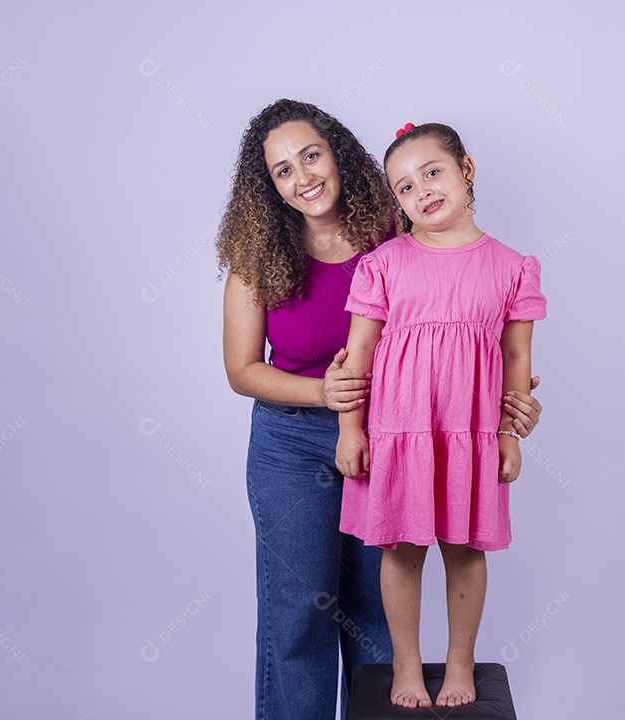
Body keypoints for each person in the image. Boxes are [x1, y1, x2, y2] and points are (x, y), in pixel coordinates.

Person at [216, 100, 544, 720]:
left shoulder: (398, 236)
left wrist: (510, 407)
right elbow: (242, 371)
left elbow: (470, 331)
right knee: (300, 605)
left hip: (396, 434)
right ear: (269, 188)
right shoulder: (258, 261)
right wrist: (327, 396)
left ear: (337, 153)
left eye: (311, 155)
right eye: (283, 170)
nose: (303, 176)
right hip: (294, 440)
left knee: (374, 607)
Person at [336, 122, 547, 708]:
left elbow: (515, 356)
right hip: (399, 429)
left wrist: (509, 434)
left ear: (466, 170)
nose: (422, 191)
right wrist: (351, 428)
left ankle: (460, 666)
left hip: (470, 432)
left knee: (465, 548)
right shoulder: (382, 264)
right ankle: (405, 667)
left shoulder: (512, 266)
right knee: (401, 550)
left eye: (432, 172)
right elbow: (358, 356)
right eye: (403, 187)